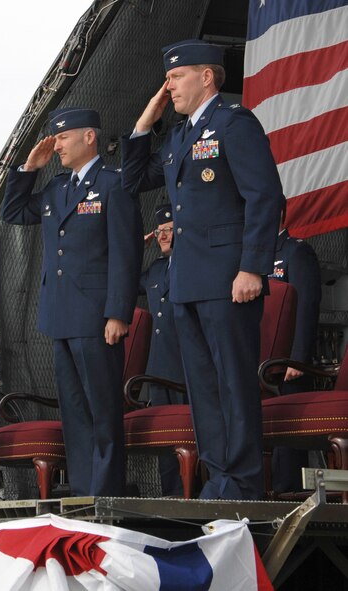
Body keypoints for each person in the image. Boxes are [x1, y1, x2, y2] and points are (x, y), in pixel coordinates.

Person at [121, 39, 284, 500]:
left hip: (229, 280)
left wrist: (252, 267)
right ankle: (220, 479)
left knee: (232, 383)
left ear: (207, 76)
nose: (167, 86)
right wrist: (144, 123)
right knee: (204, 392)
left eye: (176, 77)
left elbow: (264, 196)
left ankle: (243, 484)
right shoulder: (177, 136)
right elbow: (132, 181)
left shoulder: (233, 124)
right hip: (187, 282)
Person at [1, 108, 142, 497]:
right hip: (60, 314)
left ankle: (106, 490)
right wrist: (30, 168)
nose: (57, 145)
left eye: (63, 137)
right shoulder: (56, 189)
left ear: (89, 137)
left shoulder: (114, 184)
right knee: (75, 412)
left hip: (97, 314)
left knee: (102, 409)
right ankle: (83, 490)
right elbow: (13, 211)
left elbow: (125, 254)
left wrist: (118, 312)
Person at [269, 206, 322, 493]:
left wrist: (298, 359)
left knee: (288, 436)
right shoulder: (251, 257)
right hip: (259, 364)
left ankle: (287, 496)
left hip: (288, 364)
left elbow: (306, 306)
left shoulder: (295, 251)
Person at [140, 203, 187, 496]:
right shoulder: (155, 268)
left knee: (186, 435)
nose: (163, 236)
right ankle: (170, 495)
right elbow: (124, 281)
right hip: (157, 367)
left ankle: (190, 494)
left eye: (169, 230)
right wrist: (136, 247)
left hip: (184, 364)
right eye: (159, 231)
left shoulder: (193, 263)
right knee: (163, 438)